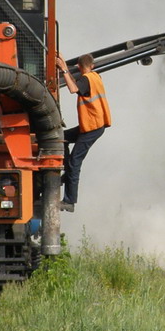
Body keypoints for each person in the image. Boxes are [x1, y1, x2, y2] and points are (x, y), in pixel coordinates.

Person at [55, 52, 111, 212]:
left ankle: (69, 201)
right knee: (62, 138)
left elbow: (73, 89)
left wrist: (64, 70)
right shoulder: (94, 77)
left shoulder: (87, 80)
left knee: (74, 162)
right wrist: (64, 65)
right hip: (93, 125)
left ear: (79, 67)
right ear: (92, 65)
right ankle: (66, 176)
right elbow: (78, 85)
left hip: (92, 127)